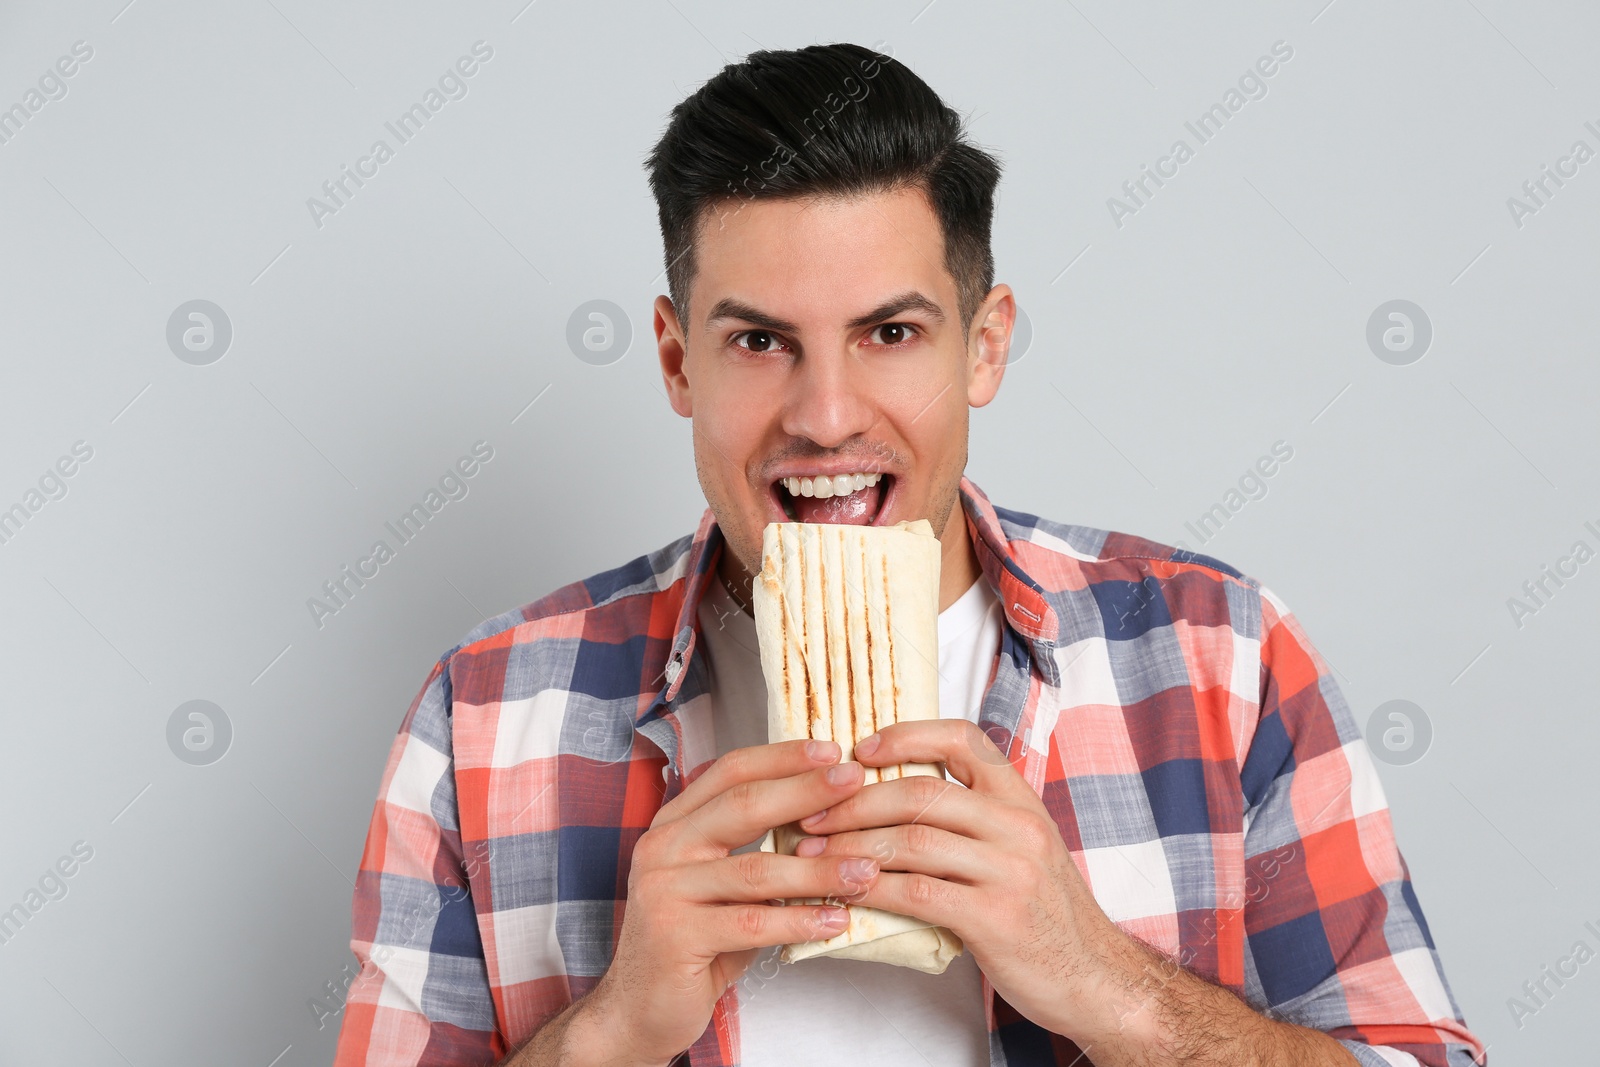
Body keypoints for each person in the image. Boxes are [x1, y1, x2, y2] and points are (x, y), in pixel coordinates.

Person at [332, 42, 1485, 1067]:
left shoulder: (1221, 660)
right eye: (758, 341)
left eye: (890, 333)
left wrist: (1111, 988)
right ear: (679, 362)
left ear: (983, 345)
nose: (826, 415)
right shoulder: (485, 712)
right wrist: (612, 1030)